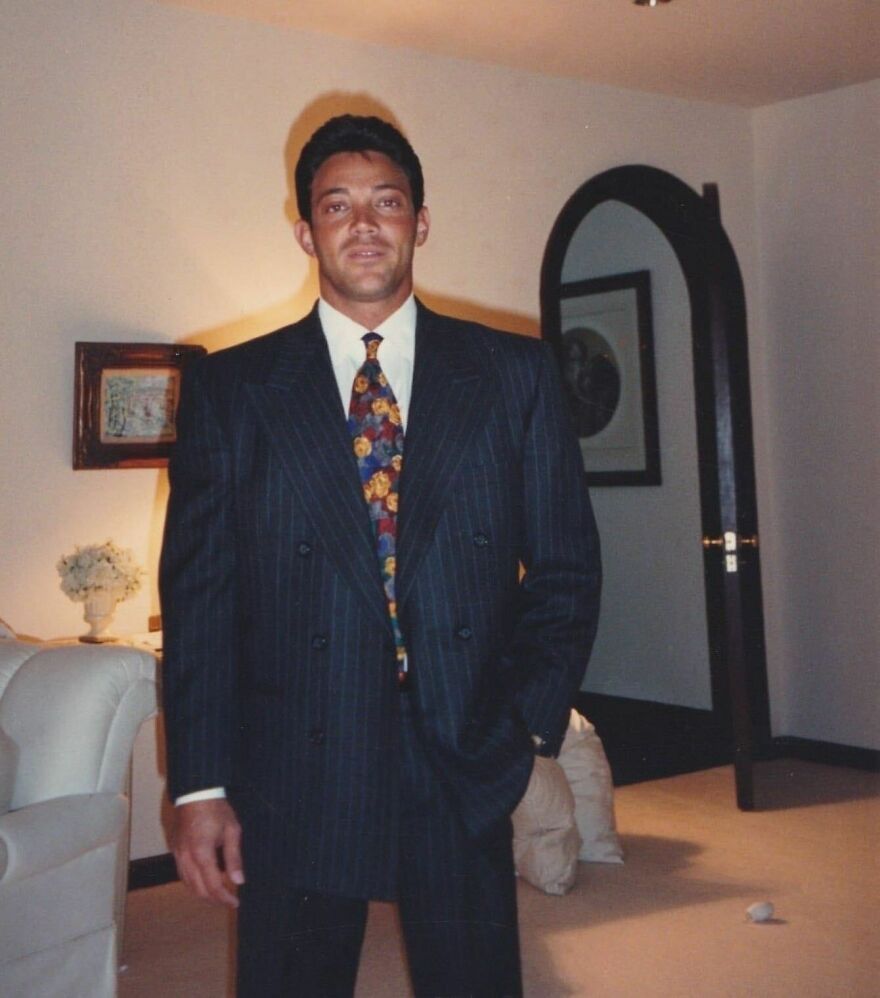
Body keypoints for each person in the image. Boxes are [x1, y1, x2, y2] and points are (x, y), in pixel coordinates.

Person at [159, 113, 601, 998]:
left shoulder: (513, 373)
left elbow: (566, 569)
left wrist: (523, 727)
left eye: (386, 203)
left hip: (460, 748)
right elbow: (201, 598)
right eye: (337, 205)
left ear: (420, 222)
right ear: (306, 232)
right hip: (294, 757)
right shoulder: (231, 388)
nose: (363, 224)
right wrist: (198, 785)